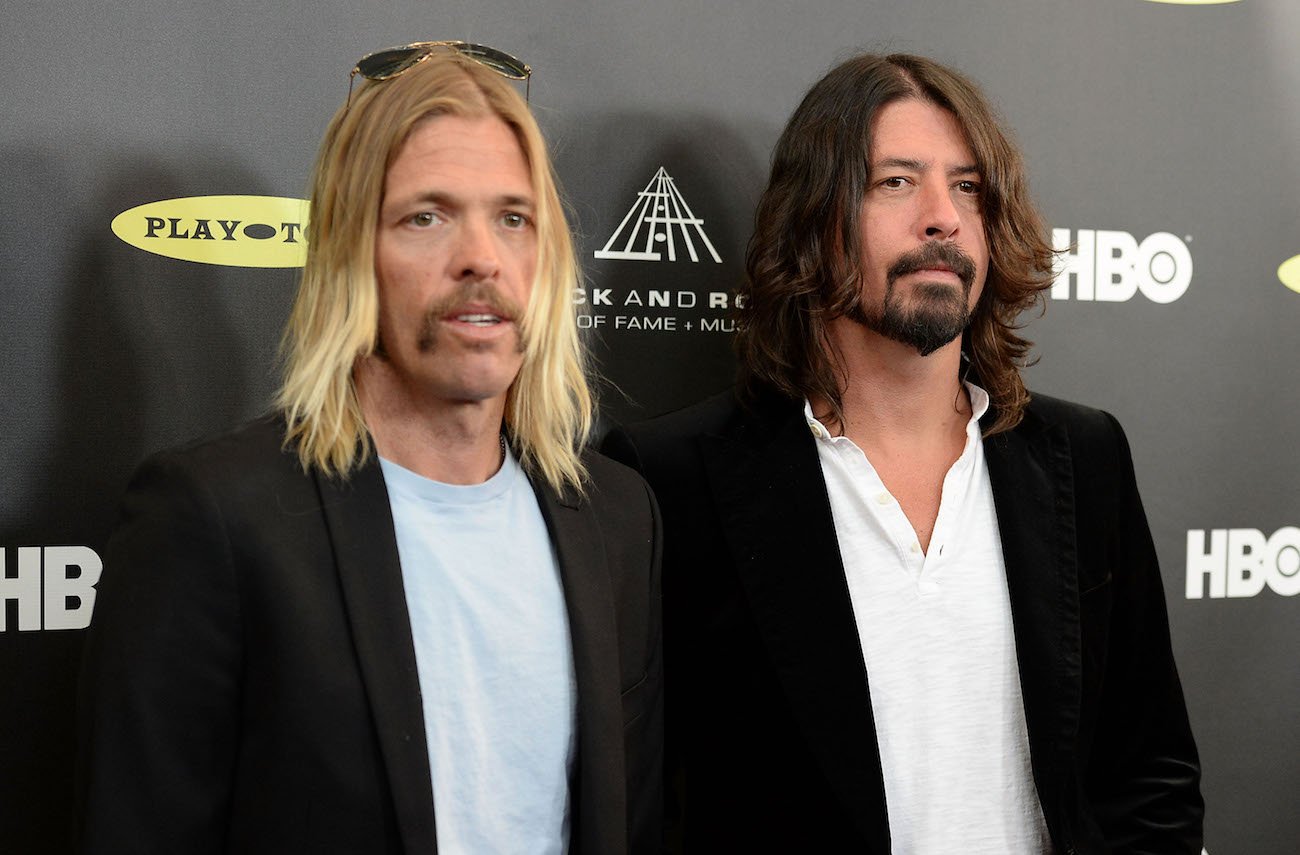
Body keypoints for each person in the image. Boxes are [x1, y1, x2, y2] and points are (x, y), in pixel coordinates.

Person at [603, 53, 1201, 853]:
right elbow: (645, 803)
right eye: (895, 182)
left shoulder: (1084, 459)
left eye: (968, 187)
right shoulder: (671, 480)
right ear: (813, 217)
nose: (942, 218)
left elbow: (1149, 774)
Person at [78, 42, 662, 855]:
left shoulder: (617, 516)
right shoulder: (213, 519)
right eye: (426, 216)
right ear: (352, 255)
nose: (481, 258)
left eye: (513, 217)